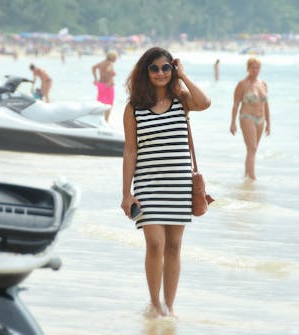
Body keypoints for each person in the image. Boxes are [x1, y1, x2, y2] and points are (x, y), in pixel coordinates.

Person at [120, 47, 211, 318]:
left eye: (165, 68)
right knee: (155, 244)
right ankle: (154, 302)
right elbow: (130, 151)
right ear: (145, 72)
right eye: (154, 68)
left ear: (172, 71)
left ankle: (169, 305)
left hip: (179, 184)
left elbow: (205, 102)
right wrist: (126, 193)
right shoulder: (133, 108)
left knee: (174, 247)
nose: (160, 73)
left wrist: (183, 76)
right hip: (148, 185)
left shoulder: (181, 100)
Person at [230, 57, 271, 180]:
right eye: (252, 67)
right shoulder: (242, 84)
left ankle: (247, 175)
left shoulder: (263, 84)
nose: (255, 70)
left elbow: (266, 105)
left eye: (257, 67)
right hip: (247, 117)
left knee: (252, 149)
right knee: (252, 148)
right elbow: (236, 104)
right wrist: (232, 123)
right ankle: (253, 177)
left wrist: (269, 123)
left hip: (261, 119)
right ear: (248, 69)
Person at [92, 50, 117, 122]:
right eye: (115, 57)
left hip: (100, 84)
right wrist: (111, 81)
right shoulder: (110, 63)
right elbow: (109, 71)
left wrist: (95, 79)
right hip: (108, 86)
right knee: (109, 104)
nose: (116, 59)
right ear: (112, 57)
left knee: (100, 103)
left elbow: (93, 67)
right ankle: (106, 122)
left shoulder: (101, 63)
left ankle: (98, 120)